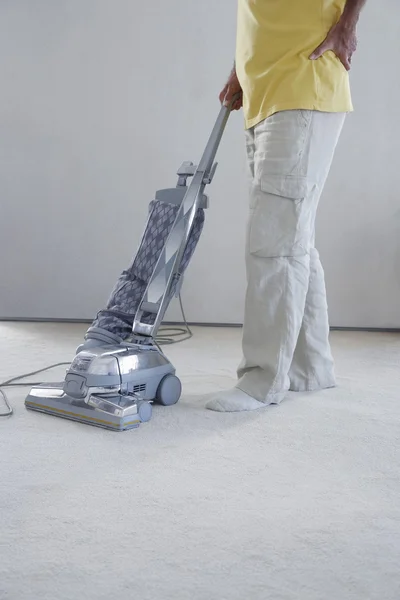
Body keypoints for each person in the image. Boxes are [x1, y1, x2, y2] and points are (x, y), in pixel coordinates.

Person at [206, 0, 366, 412]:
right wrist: (242, 65)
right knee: (292, 236)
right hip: (266, 86)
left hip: (302, 78)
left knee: (274, 242)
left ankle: (262, 380)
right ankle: (310, 368)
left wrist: (348, 24)